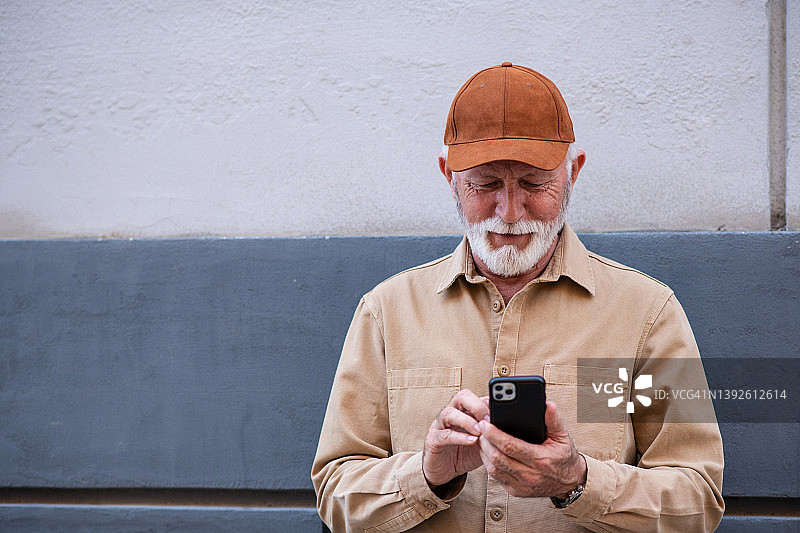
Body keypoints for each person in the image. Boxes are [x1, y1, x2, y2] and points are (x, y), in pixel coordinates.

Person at [311, 62, 724, 532]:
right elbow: (335, 491)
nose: (509, 212)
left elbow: (698, 500)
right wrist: (426, 475)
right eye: (485, 184)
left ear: (573, 172)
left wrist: (578, 481)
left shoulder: (646, 313)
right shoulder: (386, 311)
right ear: (449, 176)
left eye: (534, 183)